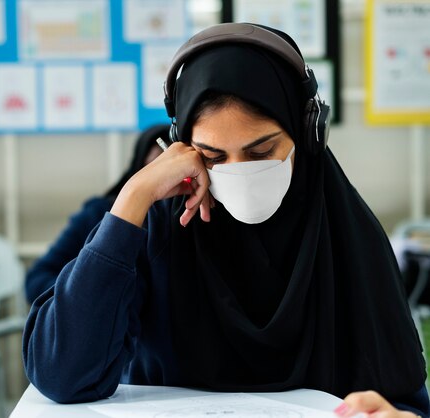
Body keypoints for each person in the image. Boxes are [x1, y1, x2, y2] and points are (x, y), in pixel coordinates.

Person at [22, 22, 430, 416]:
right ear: (182, 146)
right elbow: (62, 375)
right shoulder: (160, 232)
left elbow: (404, 400)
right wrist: (133, 196)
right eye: (213, 157)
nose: (239, 172)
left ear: (307, 135)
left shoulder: (348, 237)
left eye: (261, 151)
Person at [24, 123, 171, 304]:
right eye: (155, 170)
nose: (165, 183)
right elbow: (37, 278)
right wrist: (80, 296)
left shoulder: (192, 219)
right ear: (138, 171)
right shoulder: (101, 215)